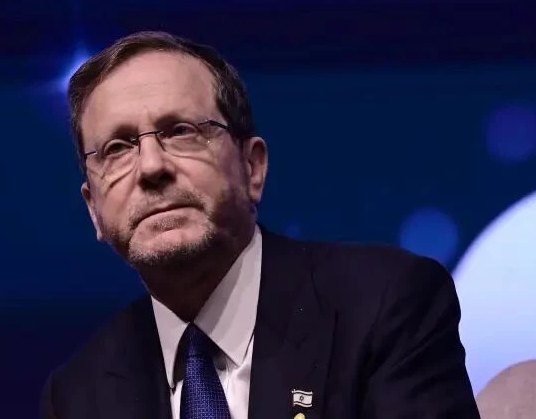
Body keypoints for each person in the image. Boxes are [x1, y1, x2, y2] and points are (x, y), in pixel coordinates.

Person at [40, 30, 481, 419]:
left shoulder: (385, 306)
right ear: (94, 209)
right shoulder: (78, 396)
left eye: (180, 131)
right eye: (117, 148)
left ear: (252, 168)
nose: (151, 166)